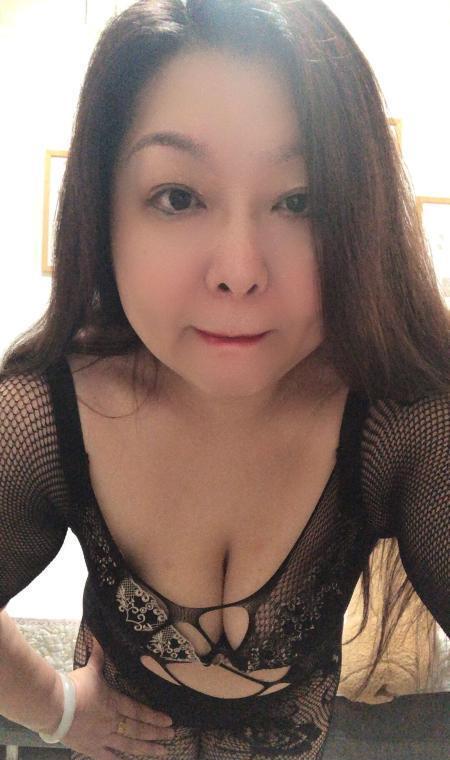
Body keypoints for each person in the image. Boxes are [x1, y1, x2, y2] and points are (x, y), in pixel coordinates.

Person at [0, 0, 448, 758]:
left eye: (300, 201)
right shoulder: (42, 414)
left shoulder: (401, 418)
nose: (240, 271)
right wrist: (54, 707)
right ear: (104, 212)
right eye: (178, 197)